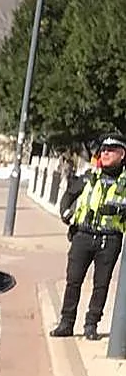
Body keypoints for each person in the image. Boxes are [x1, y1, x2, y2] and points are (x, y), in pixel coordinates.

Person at [52, 134, 126, 339]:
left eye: (110, 150)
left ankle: (91, 325)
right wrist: (66, 215)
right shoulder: (89, 176)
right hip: (83, 235)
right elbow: (68, 195)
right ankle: (66, 324)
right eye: (103, 150)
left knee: (101, 284)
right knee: (73, 281)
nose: (105, 153)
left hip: (110, 240)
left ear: (122, 154)